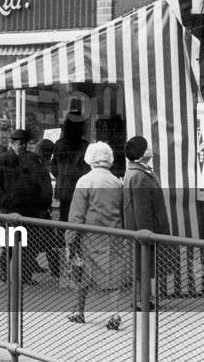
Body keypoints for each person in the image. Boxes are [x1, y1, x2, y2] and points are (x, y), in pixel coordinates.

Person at [64, 141, 125, 329]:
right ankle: (114, 313)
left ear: (90, 159)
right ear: (109, 160)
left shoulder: (85, 181)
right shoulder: (117, 182)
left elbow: (77, 214)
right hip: (113, 234)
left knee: (82, 273)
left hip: (89, 236)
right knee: (113, 274)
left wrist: (70, 239)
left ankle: (79, 311)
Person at [0, 129, 53, 284]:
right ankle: (25, 275)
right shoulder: (34, 160)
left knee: (10, 242)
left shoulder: (2, 159)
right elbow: (44, 184)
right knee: (28, 243)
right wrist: (44, 204)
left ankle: (5, 271)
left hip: (10, 207)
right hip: (30, 207)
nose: (20, 146)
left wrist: (1, 202)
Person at [122, 135, 170, 311]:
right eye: (147, 147)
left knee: (142, 265)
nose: (151, 149)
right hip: (145, 228)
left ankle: (142, 298)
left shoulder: (135, 171)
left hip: (140, 227)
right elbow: (142, 209)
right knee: (144, 264)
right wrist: (148, 233)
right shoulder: (140, 175)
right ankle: (142, 300)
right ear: (142, 153)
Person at [52, 119, 90, 222]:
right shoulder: (85, 146)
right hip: (78, 186)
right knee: (79, 216)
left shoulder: (59, 144)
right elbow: (87, 168)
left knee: (64, 216)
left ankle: (61, 237)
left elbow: (53, 168)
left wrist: (62, 176)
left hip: (63, 187)